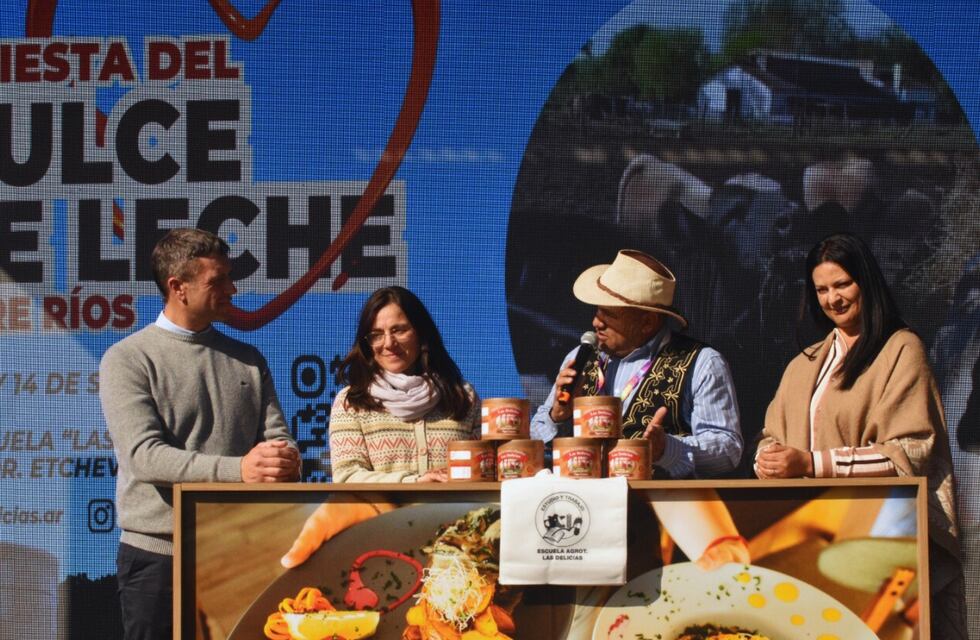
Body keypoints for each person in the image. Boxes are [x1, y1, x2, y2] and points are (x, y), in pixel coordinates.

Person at [754, 232, 966, 638]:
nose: (832, 298)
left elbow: (909, 452)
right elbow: (770, 435)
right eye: (821, 290)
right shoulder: (804, 363)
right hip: (807, 540)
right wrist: (767, 458)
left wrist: (811, 463)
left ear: (865, 282)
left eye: (842, 284)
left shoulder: (901, 349)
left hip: (880, 540)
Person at [99, 228, 299, 640]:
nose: (232, 289)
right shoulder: (127, 359)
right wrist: (241, 470)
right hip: (158, 558)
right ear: (178, 288)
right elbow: (145, 457)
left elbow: (278, 439)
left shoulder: (248, 359)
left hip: (239, 554)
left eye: (229, 278)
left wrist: (283, 460)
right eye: (217, 281)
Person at [529, 249, 742, 478]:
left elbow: (729, 449)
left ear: (647, 322)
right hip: (584, 496)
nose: (596, 322)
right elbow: (535, 436)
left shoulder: (702, 363)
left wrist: (668, 449)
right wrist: (557, 415)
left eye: (609, 314)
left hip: (658, 499)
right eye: (597, 310)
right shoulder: (579, 358)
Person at [328, 286, 481, 483]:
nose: (388, 343)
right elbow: (347, 476)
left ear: (421, 333)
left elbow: (486, 470)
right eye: (376, 334)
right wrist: (413, 482)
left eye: (398, 330)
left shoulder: (463, 396)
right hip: (382, 506)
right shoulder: (351, 402)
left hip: (456, 506)